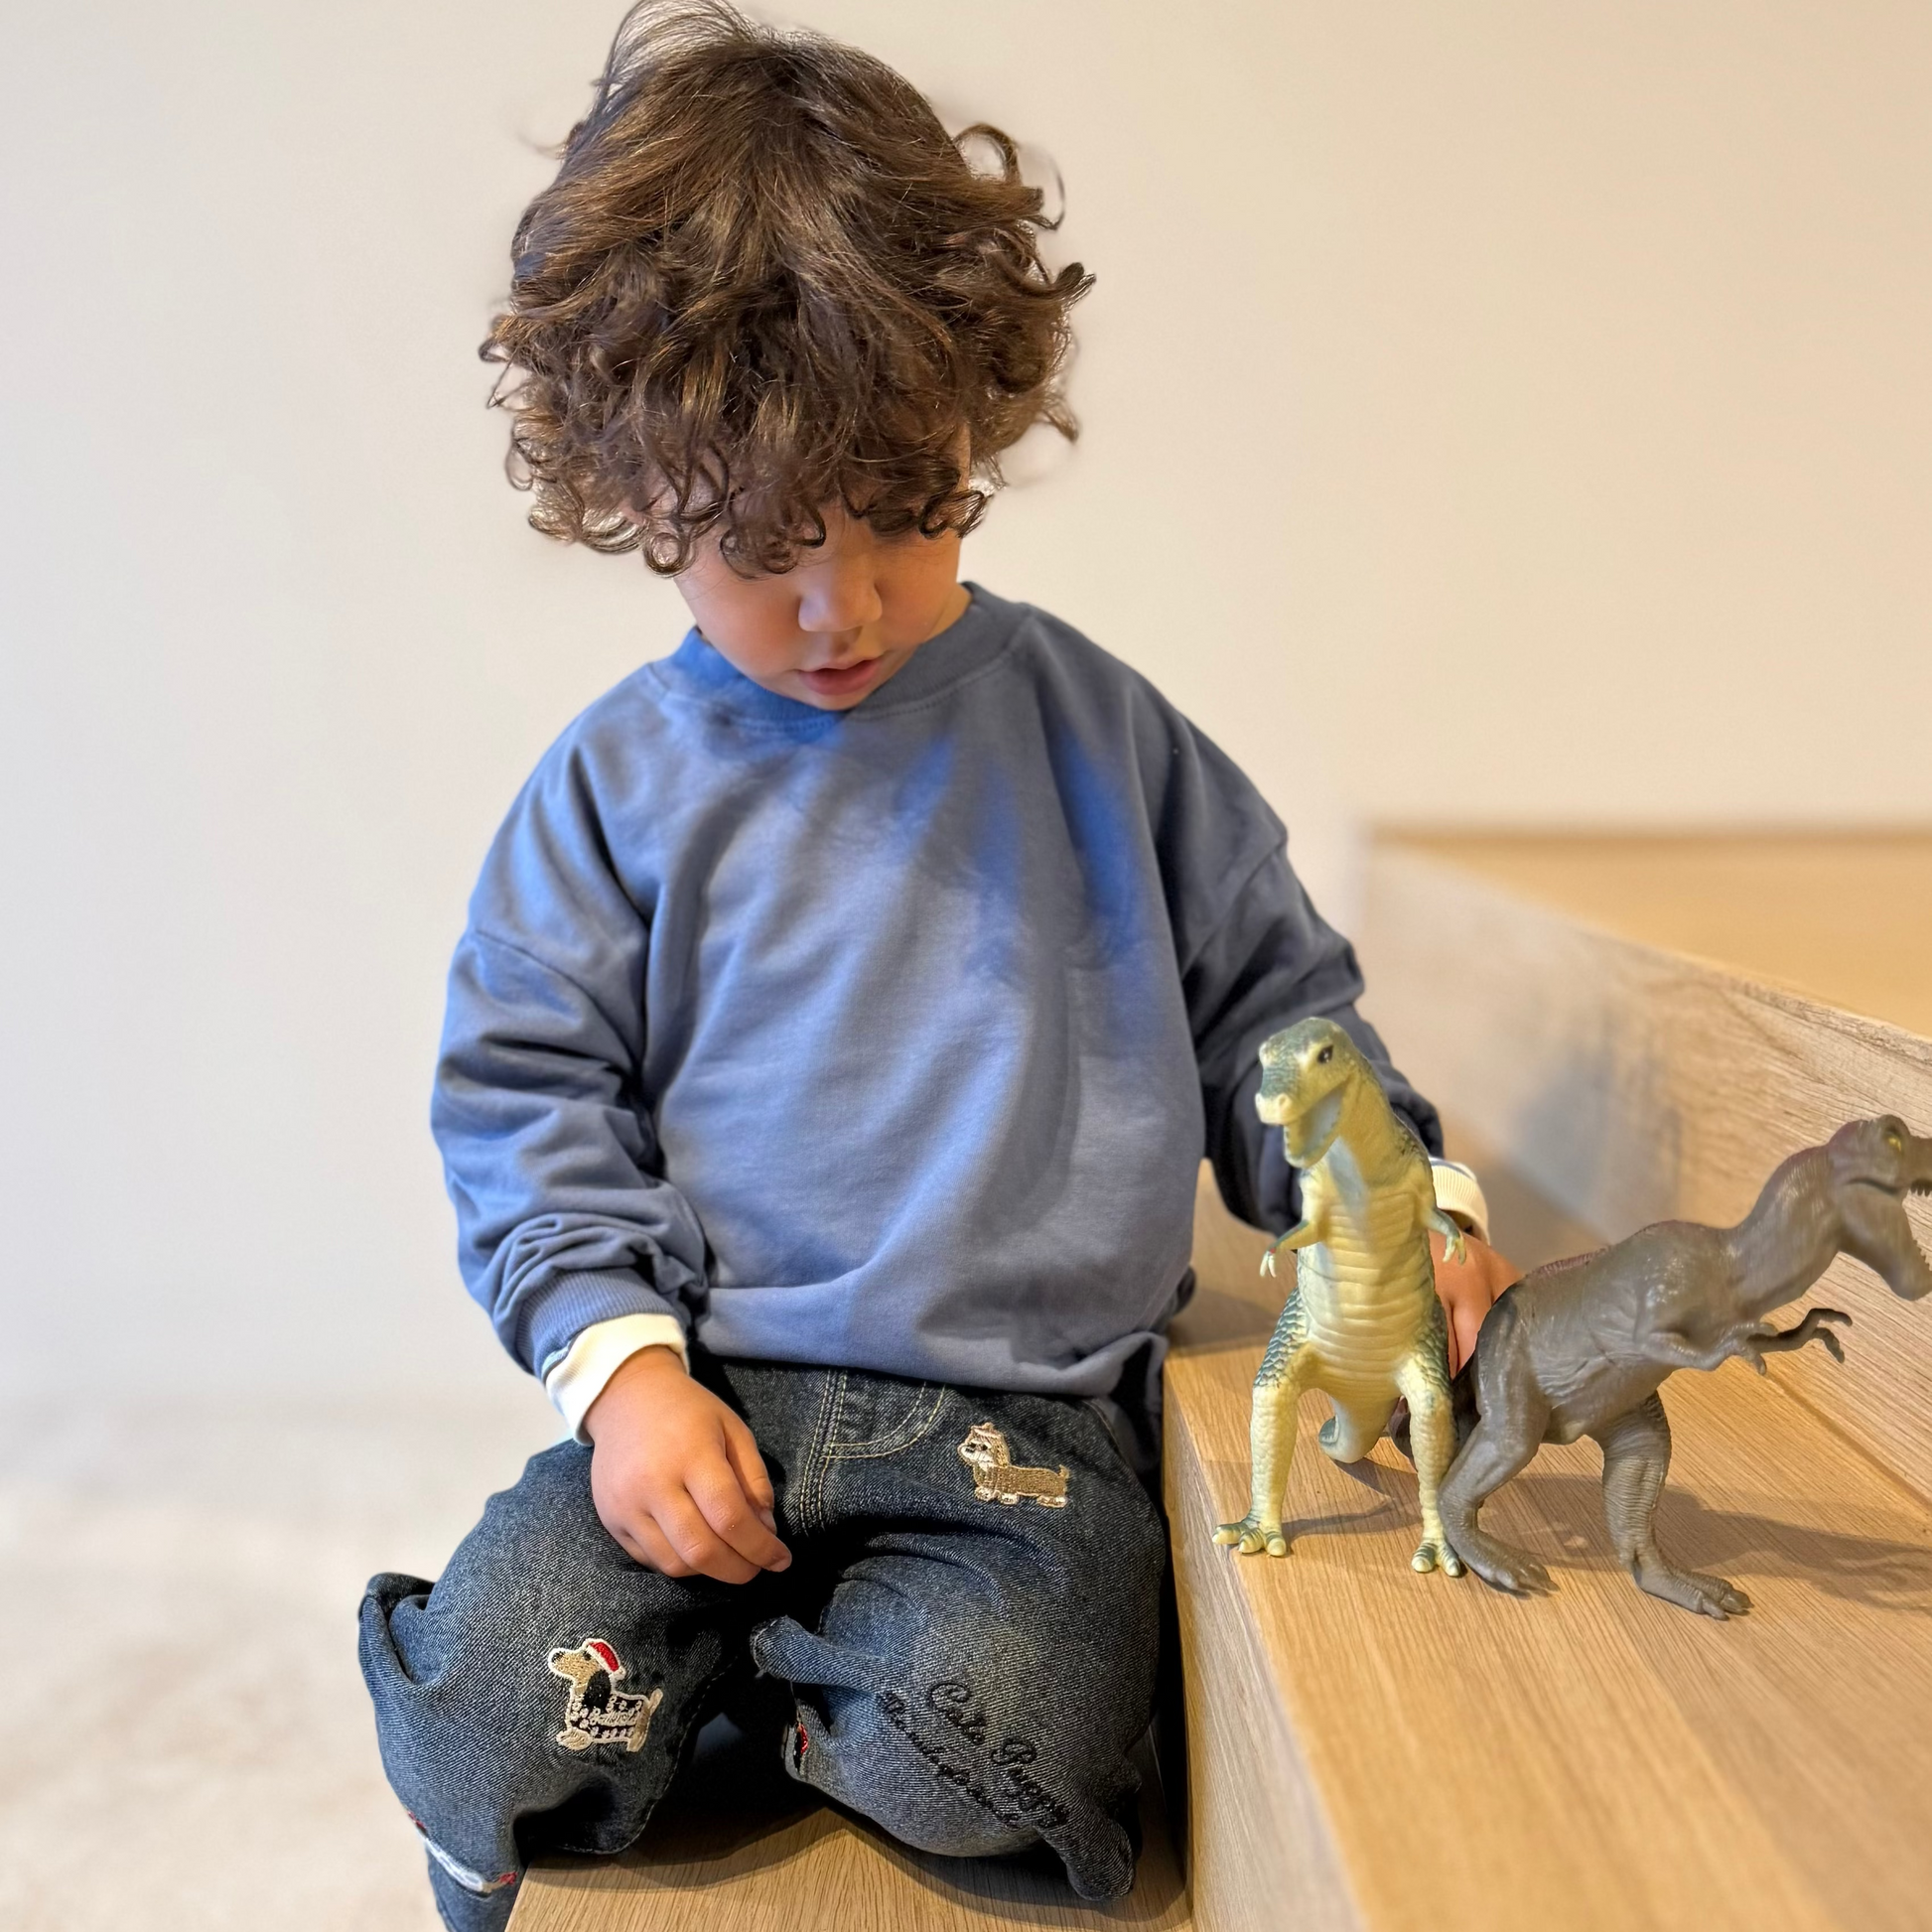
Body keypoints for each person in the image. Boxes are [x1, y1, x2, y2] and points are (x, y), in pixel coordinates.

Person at [357, 6, 1516, 1927]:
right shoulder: (615, 790)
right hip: (707, 1391)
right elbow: (526, 1096)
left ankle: (773, 1705)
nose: (847, 602)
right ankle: (690, 1680)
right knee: (486, 1718)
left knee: (1022, 1749)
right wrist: (624, 1374)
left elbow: (1273, 1010)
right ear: (638, 500)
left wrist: (1394, 1204)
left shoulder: (1099, 735)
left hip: (1024, 1429)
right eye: (763, 545)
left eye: (908, 513)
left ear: (975, 431)